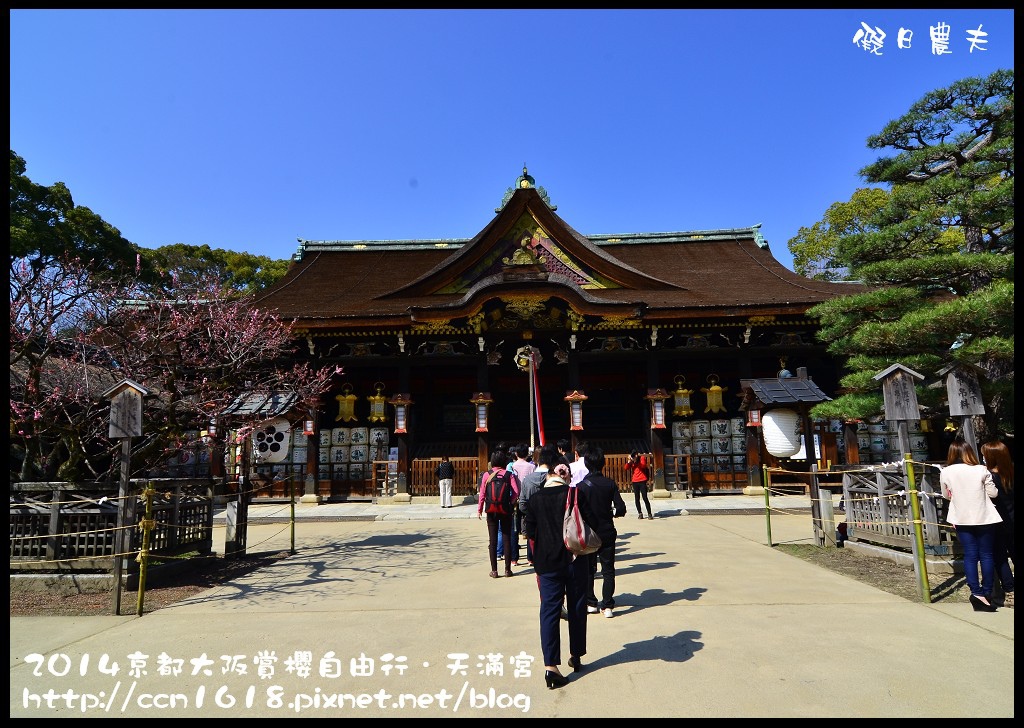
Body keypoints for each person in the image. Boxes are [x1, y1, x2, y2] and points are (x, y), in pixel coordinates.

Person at [522, 444, 596, 689]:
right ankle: (576, 655)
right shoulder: (575, 495)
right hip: (575, 560)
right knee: (576, 607)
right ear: (565, 473)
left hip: (547, 563)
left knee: (550, 611)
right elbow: (588, 524)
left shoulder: (534, 499)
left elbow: (529, 531)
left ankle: (550, 667)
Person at [940, 437, 1002, 612]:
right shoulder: (981, 469)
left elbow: (946, 495)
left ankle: (976, 593)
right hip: (984, 517)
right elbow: (993, 493)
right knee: (987, 555)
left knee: (970, 555)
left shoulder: (946, 471)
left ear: (951, 453)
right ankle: (987, 592)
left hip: (961, 517)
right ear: (969, 452)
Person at [580, 446, 626, 618]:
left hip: (589, 533)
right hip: (607, 530)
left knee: (589, 569)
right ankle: (607, 606)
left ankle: (591, 602)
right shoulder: (610, 484)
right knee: (608, 570)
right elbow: (621, 508)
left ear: (586, 464)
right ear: (603, 464)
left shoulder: (581, 486)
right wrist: (611, 512)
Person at [981, 440, 1014, 607]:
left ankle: (1010, 590)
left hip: (997, 521)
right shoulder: (1011, 472)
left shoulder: (989, 478)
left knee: (1000, 558)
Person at [478, 449, 518, 578]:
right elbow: (516, 492)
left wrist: (479, 509)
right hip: (505, 509)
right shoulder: (508, 474)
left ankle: (494, 570)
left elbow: (482, 494)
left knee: (493, 540)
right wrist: (511, 502)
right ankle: (507, 570)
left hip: (491, 510)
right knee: (507, 538)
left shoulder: (487, 475)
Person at [509, 443, 536, 565]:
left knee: (514, 529)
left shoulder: (512, 466)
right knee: (530, 527)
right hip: (529, 500)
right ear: (527, 454)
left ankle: (514, 558)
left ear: (516, 454)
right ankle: (531, 557)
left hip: (515, 500)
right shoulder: (531, 467)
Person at [626, 449, 654, 519]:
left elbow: (643, 466)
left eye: (635, 455)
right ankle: (640, 513)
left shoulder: (641, 458)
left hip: (642, 480)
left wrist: (636, 462)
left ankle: (649, 513)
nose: (634, 456)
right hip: (635, 481)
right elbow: (626, 468)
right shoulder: (632, 461)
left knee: (645, 497)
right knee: (637, 498)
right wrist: (629, 461)